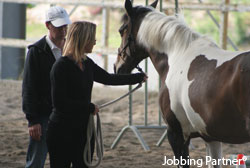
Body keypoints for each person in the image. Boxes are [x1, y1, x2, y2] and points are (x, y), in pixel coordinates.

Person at [46, 21, 147, 168]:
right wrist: (88, 107)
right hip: (62, 131)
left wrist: (137, 77)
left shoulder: (87, 63)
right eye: (92, 38)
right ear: (84, 39)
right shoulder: (60, 67)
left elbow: (108, 78)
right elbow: (60, 103)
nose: (94, 41)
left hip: (84, 129)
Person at [22, 6, 71, 168]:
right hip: (43, 116)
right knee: (37, 159)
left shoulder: (71, 48)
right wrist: (33, 120)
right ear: (47, 25)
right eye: (59, 26)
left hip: (65, 114)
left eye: (65, 25)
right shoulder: (36, 52)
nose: (63, 30)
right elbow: (29, 87)